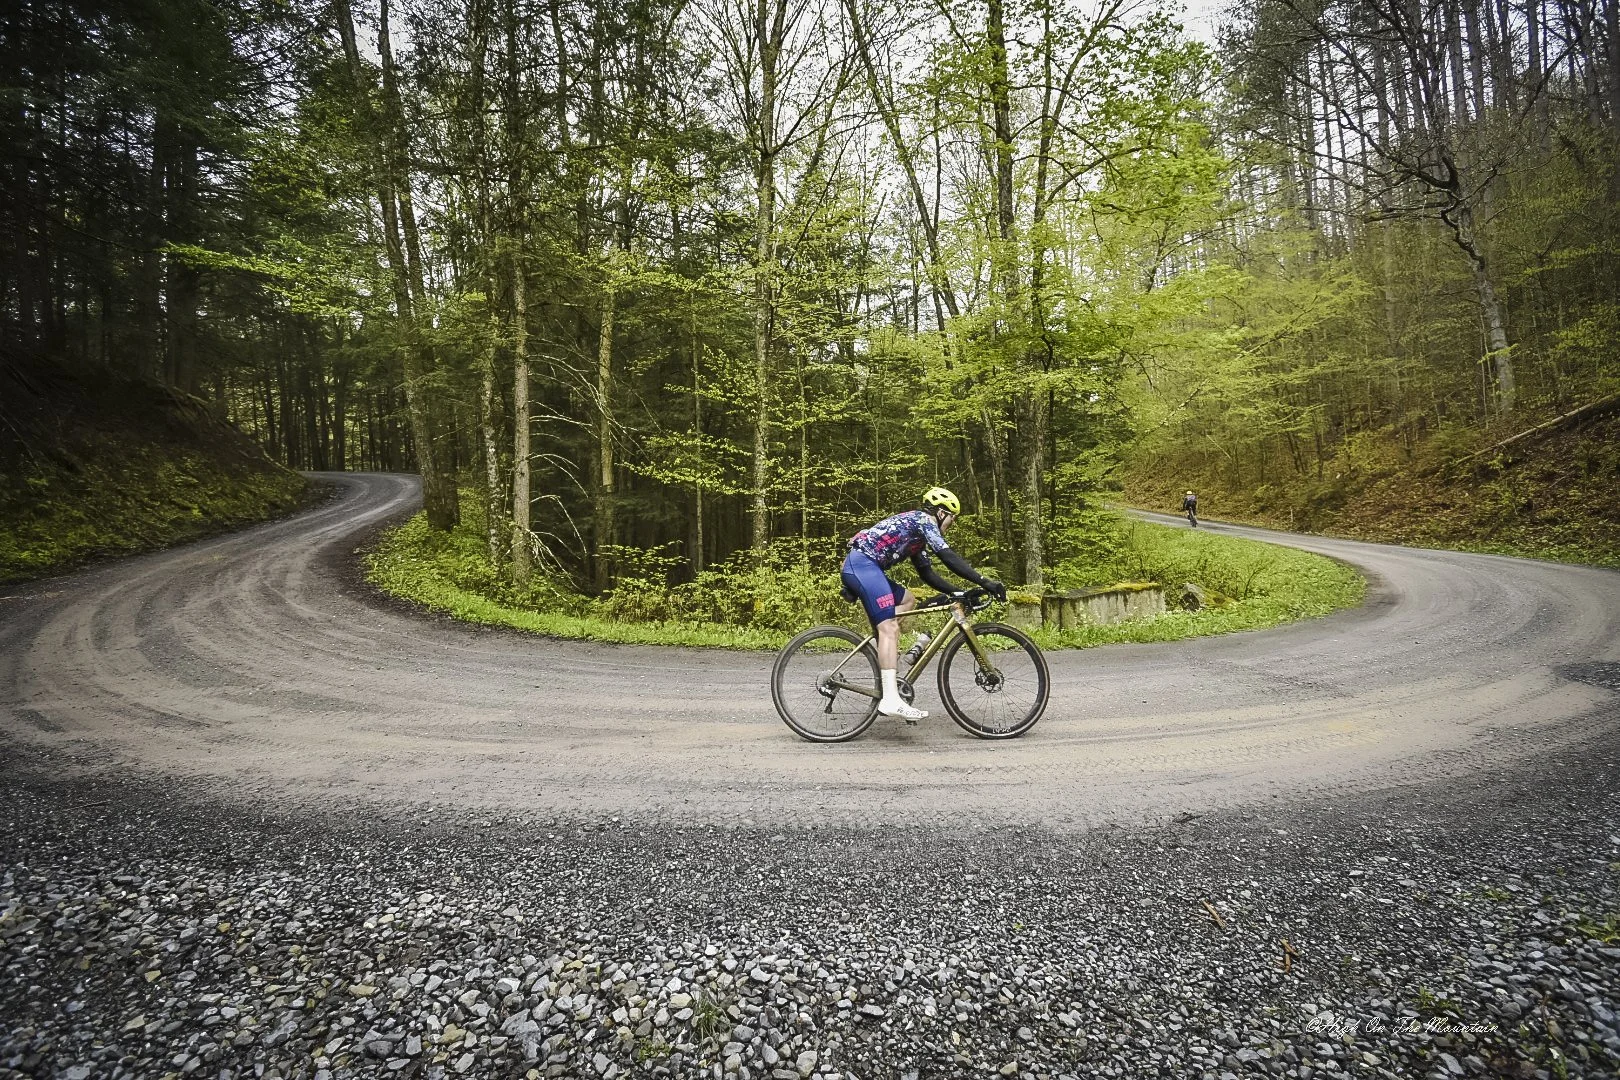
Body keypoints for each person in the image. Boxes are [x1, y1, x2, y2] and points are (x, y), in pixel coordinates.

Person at [841, 487, 1007, 721]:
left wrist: (960, 592)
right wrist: (985, 581)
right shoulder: (923, 520)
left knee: (908, 600)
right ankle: (890, 698)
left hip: (866, 567)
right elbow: (948, 556)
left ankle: (887, 653)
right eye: (952, 518)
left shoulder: (916, 537)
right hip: (862, 566)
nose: (952, 524)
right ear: (941, 513)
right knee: (889, 627)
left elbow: (927, 574)